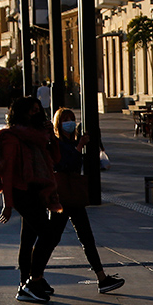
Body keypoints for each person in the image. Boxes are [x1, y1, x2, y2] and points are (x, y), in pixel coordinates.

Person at [0, 96, 62, 303]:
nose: (36, 114)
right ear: (21, 113)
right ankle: (32, 281)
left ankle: (27, 282)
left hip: (38, 191)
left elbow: (55, 159)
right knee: (47, 234)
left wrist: (52, 138)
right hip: (22, 192)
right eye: (32, 110)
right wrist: (7, 204)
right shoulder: (12, 137)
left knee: (28, 239)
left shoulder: (38, 137)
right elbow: (8, 173)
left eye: (38, 110)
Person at [47, 108, 125, 294]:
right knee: (52, 238)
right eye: (65, 119)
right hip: (63, 196)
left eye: (71, 119)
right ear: (58, 123)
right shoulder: (57, 142)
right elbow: (65, 164)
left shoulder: (72, 140)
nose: (69, 122)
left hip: (73, 196)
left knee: (86, 237)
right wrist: (79, 146)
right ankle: (34, 276)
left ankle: (102, 277)